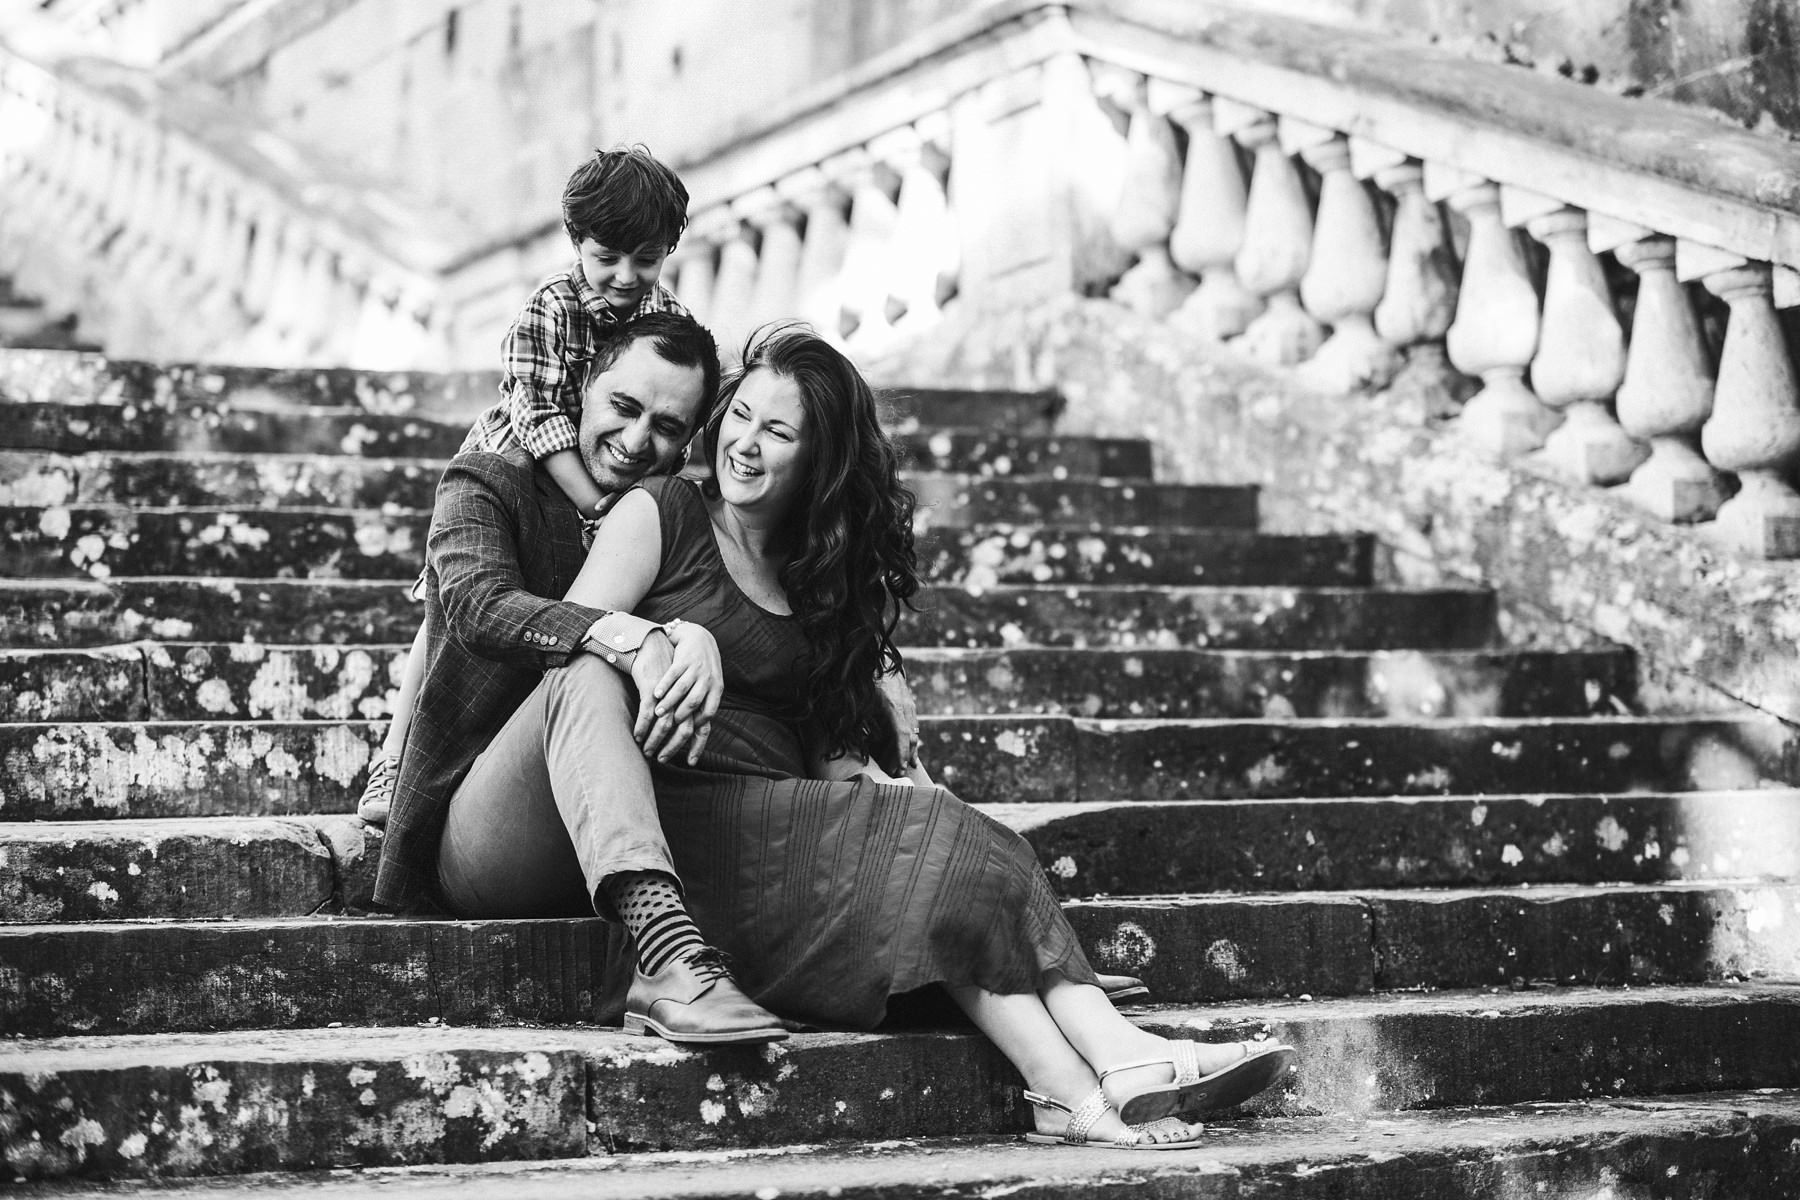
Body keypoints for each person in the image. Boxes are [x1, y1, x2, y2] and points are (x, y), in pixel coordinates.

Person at [541, 323, 1298, 1148]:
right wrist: (672, 640)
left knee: (953, 836)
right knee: (939, 841)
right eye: (741, 417)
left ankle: (1079, 1085)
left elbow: (835, 760)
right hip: (672, 824)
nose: (745, 445)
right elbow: (568, 653)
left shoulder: (819, 573)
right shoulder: (663, 513)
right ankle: (1117, 1055)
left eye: (778, 431)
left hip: (777, 825)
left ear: (819, 461)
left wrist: (913, 804)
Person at [371, 311, 794, 1045]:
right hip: (484, 831)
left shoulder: (681, 515)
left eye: (667, 427)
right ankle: (664, 955)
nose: (636, 440)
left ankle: (669, 928)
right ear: (585, 385)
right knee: (589, 664)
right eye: (623, 406)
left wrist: (695, 638)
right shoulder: (487, 483)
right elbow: (480, 606)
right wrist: (633, 635)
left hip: (632, 823)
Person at [358, 145, 693, 825]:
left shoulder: (666, 317)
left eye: (647, 259)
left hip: (604, 472)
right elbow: (537, 417)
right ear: (576, 241)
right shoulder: (549, 308)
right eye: (607, 257)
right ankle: (394, 757)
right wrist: (596, 504)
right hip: (520, 462)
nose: (626, 277)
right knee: (446, 613)